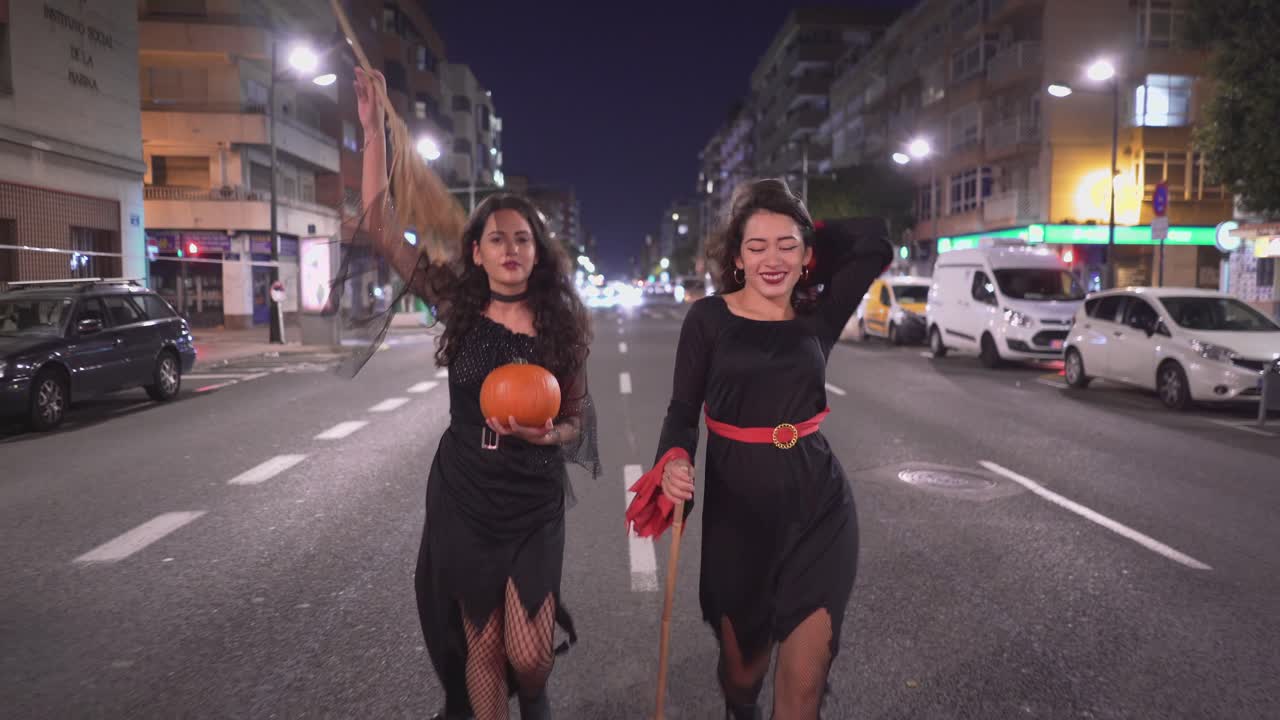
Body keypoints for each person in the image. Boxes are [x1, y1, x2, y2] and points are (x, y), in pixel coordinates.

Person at [350, 67, 600, 720]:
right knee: (482, 646)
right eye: (498, 238)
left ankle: (536, 699)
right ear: (478, 252)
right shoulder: (457, 301)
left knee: (531, 655)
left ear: (537, 253)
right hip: (465, 489)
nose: (512, 247)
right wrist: (373, 132)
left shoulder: (561, 323)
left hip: (533, 494)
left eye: (523, 238)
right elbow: (380, 225)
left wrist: (551, 435)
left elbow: (575, 420)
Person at [637, 179, 891, 719]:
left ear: (806, 256)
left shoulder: (817, 315)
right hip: (739, 516)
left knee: (802, 689)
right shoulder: (707, 319)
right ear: (736, 257)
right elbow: (683, 412)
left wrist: (797, 221)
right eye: (756, 246)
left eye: (786, 246)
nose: (771, 259)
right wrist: (675, 459)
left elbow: (875, 241)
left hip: (819, 506)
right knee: (742, 678)